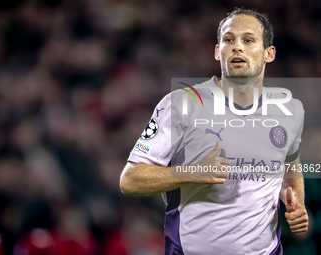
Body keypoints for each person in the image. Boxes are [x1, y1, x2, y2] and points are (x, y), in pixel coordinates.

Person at [120, 8, 308, 255]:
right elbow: (130, 179)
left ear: (268, 54)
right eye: (229, 40)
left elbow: (291, 164)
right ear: (218, 51)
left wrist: (294, 199)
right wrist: (192, 171)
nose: (237, 47)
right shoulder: (182, 103)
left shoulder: (290, 110)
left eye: (248, 40)